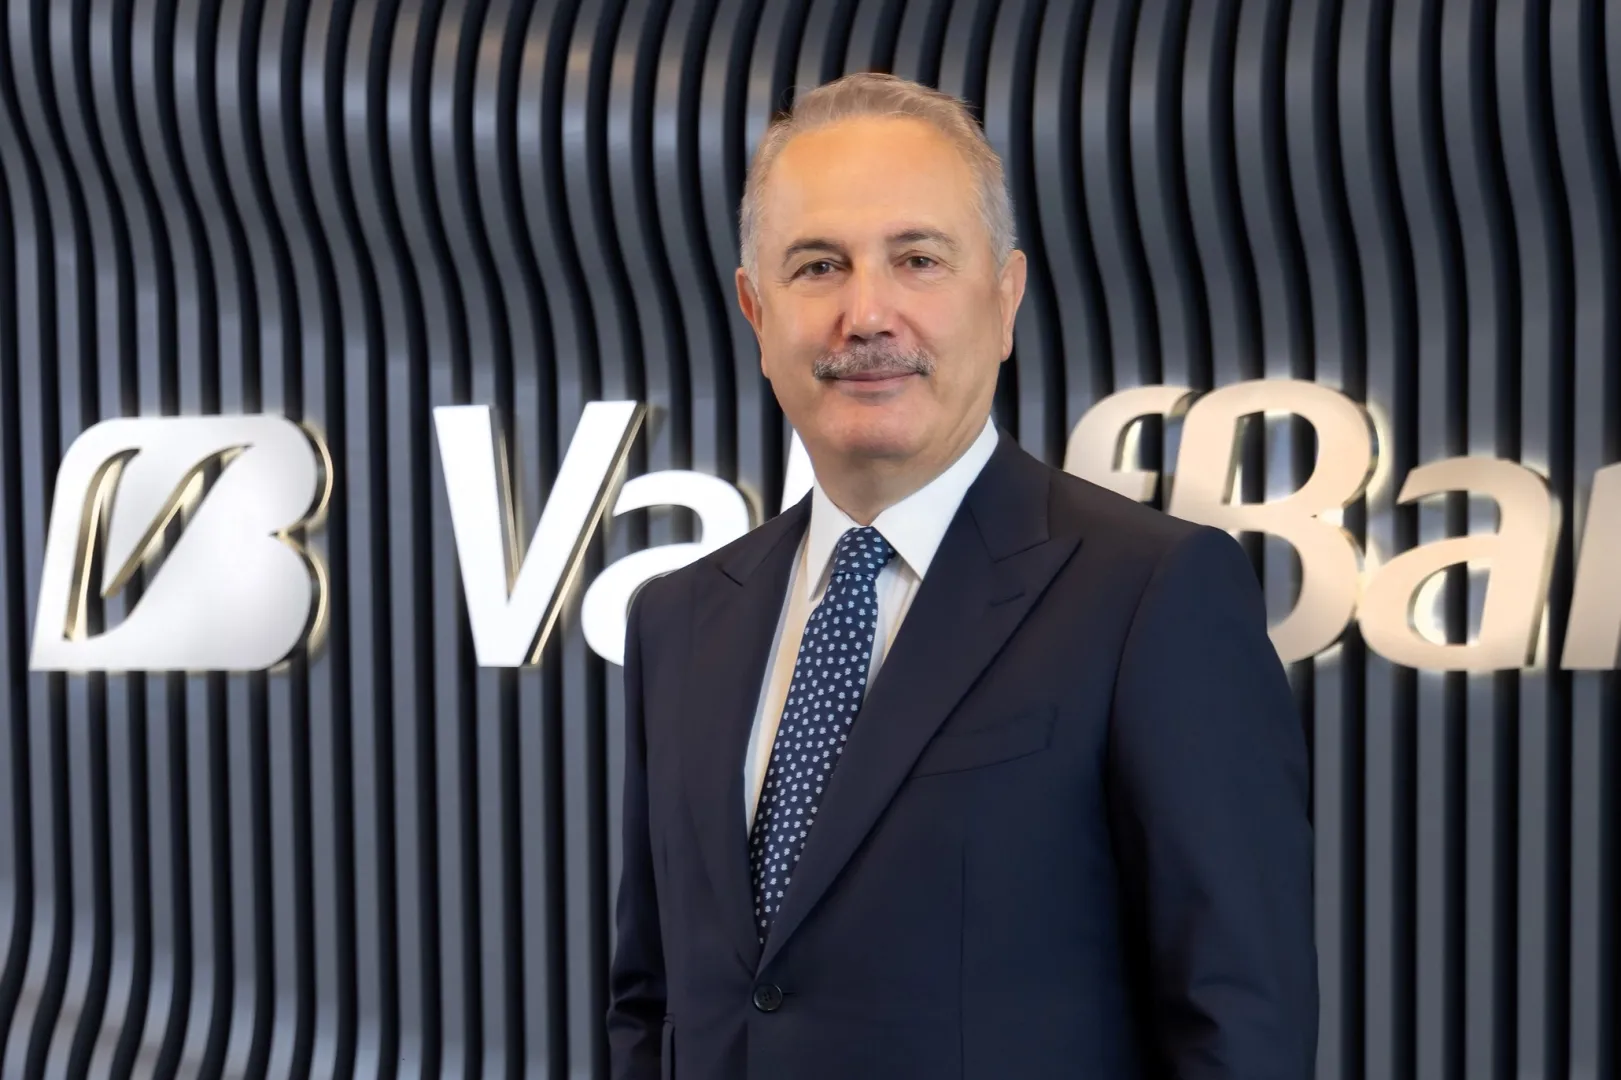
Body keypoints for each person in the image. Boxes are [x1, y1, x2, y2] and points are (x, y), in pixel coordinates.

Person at [607, 71, 1317, 1079]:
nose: (866, 313)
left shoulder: (1151, 597)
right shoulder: (677, 619)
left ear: (1004, 297)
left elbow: (1235, 1029)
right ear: (756, 312)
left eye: (917, 259)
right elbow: (652, 1003)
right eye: (818, 265)